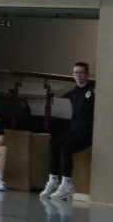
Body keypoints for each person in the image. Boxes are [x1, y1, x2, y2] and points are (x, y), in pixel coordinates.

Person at [40, 62, 95, 201]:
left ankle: (67, 185)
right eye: (75, 73)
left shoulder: (92, 90)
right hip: (74, 127)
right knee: (54, 146)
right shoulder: (74, 92)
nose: (78, 75)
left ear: (87, 74)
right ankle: (53, 181)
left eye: (81, 73)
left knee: (66, 147)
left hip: (87, 129)